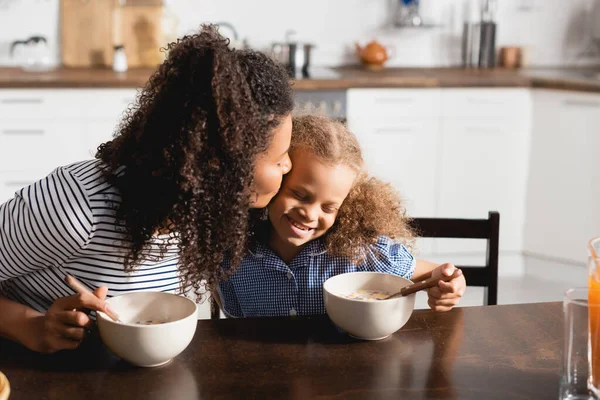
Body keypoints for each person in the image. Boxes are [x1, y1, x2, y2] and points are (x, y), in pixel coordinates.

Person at [0, 25, 294, 353]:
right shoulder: (77, 208)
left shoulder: (205, 209)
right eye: (280, 158)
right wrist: (30, 324)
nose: (288, 167)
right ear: (219, 166)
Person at [217, 115, 466, 317]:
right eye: (300, 195)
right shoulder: (231, 254)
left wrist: (449, 283)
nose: (310, 214)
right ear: (275, 180)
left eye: (328, 208)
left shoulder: (360, 253)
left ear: (345, 207)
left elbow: (440, 274)